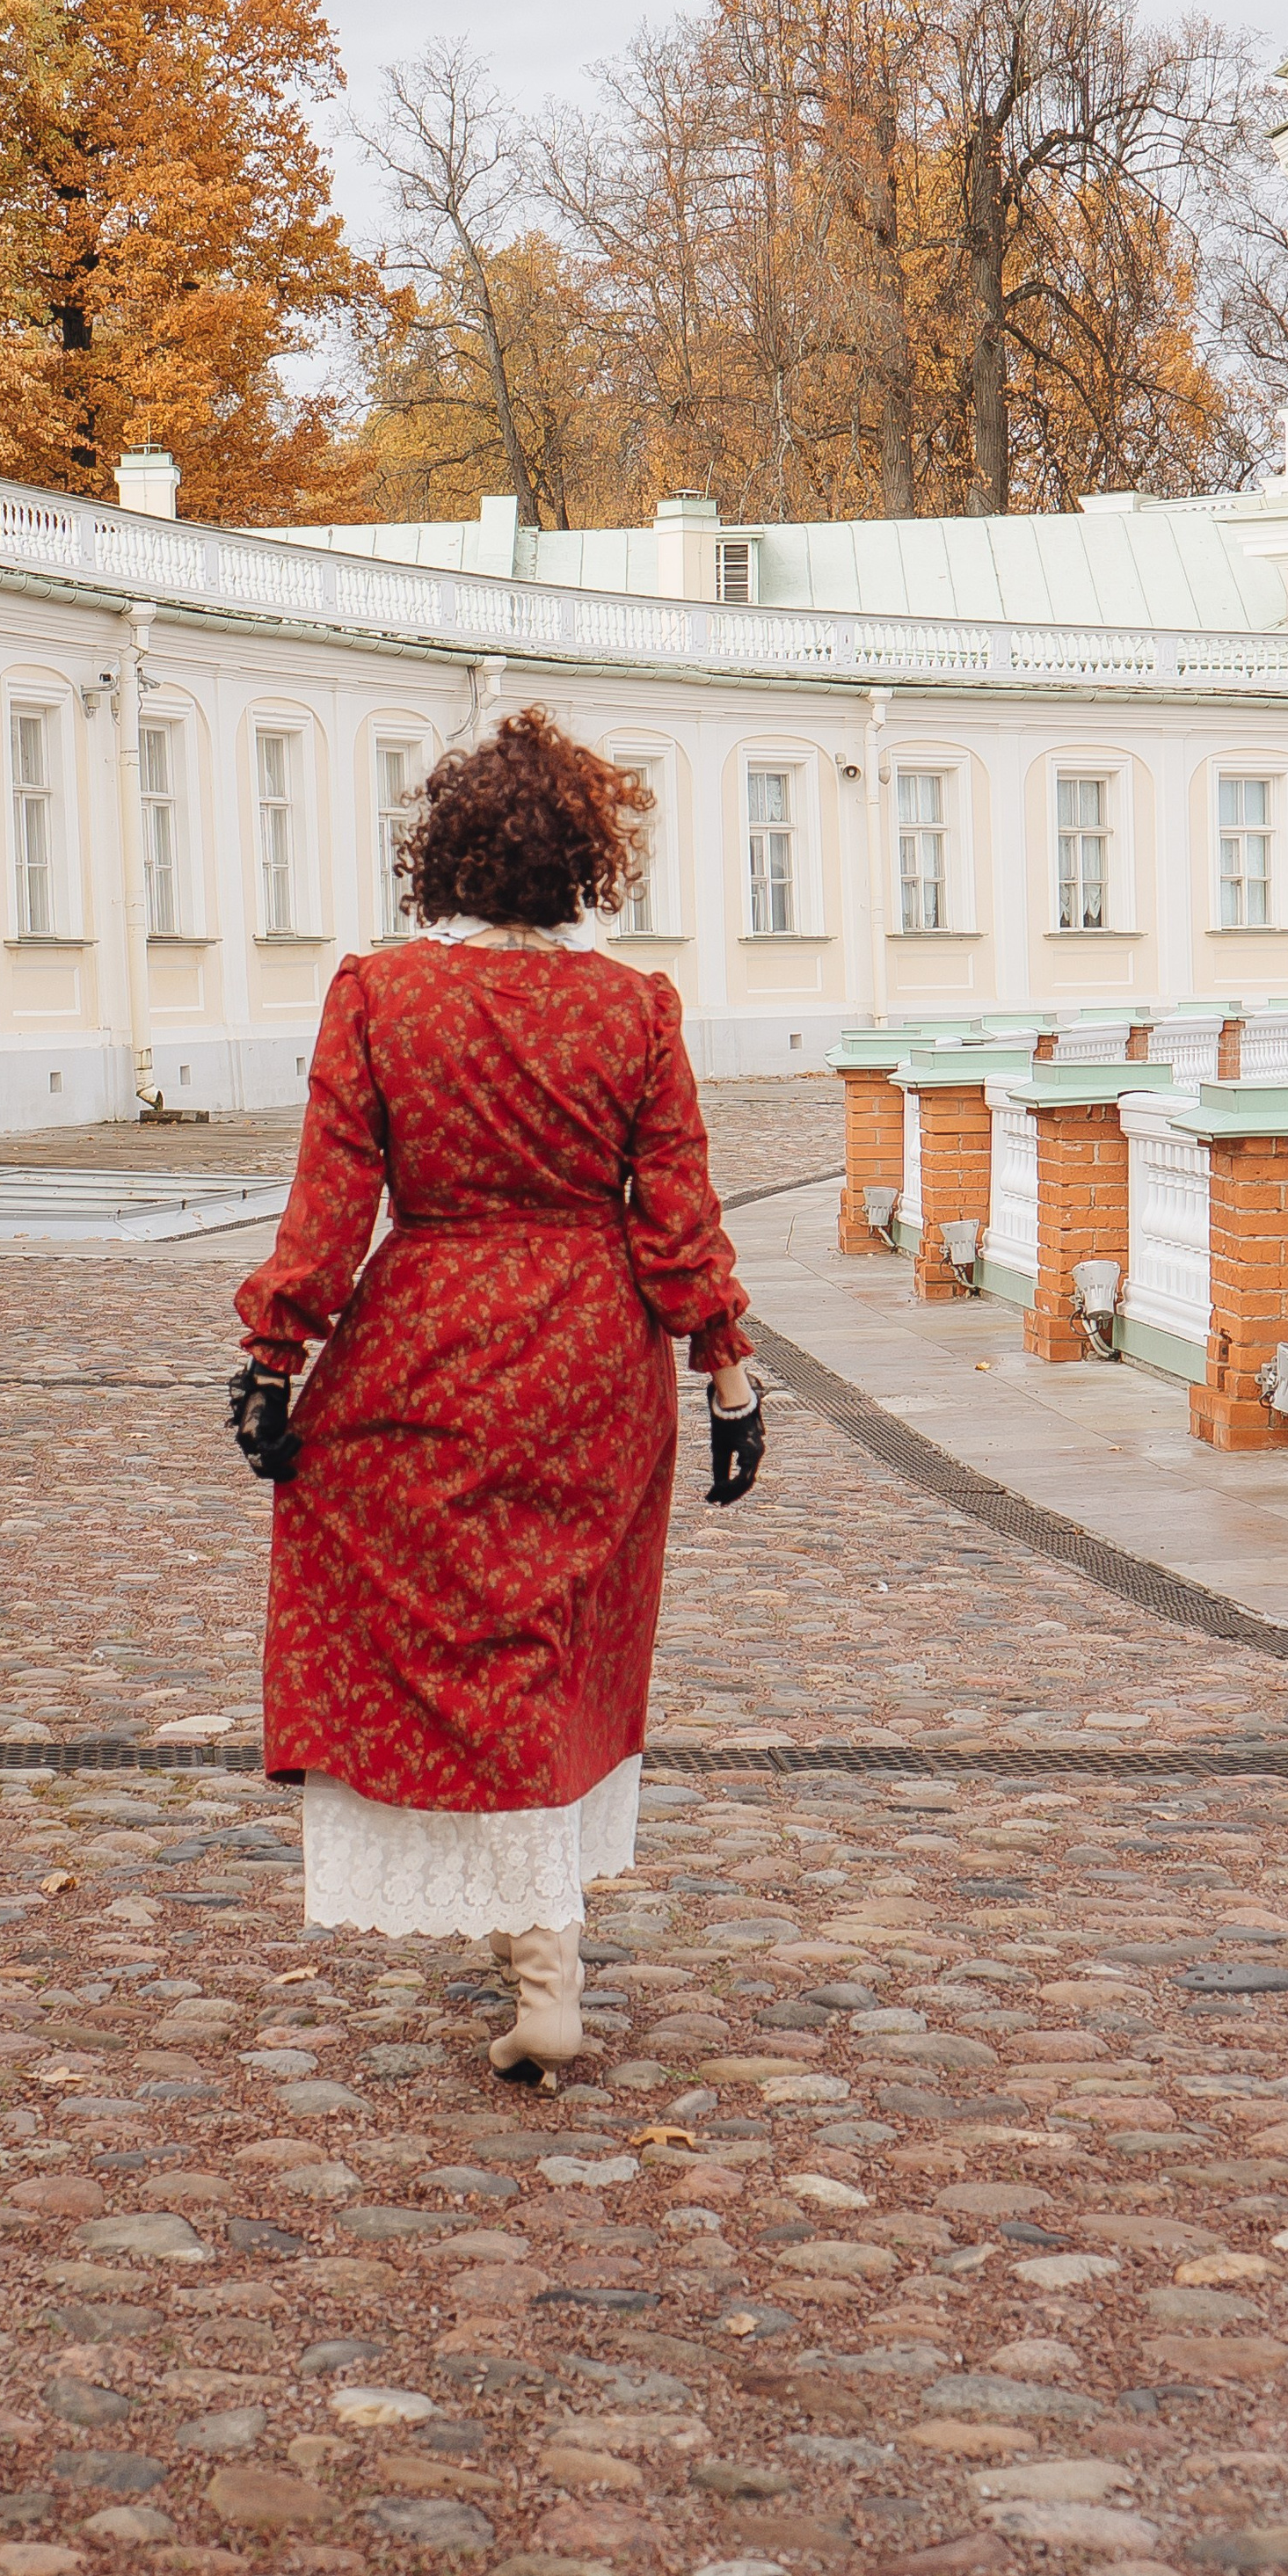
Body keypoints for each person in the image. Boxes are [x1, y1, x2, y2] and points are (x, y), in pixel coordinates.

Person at [227, 705, 763, 2082]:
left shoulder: (380, 993)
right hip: (592, 1355)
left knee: (453, 1637)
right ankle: (539, 1944)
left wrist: (275, 1357)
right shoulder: (635, 1007)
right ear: (586, 860)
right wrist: (726, 1368)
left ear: (445, 856)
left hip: (426, 1341)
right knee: (547, 1638)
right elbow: (678, 1207)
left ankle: (535, 1951)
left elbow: (331, 1202)